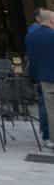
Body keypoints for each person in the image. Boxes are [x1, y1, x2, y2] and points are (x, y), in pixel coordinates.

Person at [26, 8, 54, 147]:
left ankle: (49, 137)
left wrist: (33, 76)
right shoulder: (51, 34)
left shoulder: (31, 36)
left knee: (49, 108)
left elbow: (32, 58)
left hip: (42, 77)